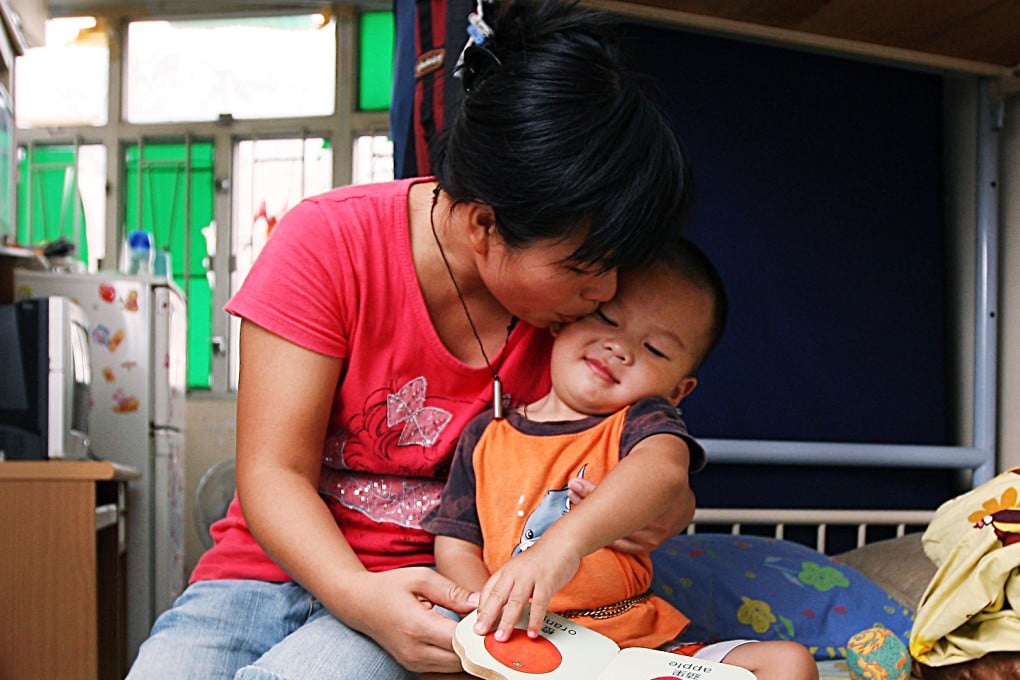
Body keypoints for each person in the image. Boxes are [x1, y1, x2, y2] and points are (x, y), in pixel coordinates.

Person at [126, 1, 696, 678]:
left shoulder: (581, 329)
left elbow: (648, 454)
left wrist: (666, 507)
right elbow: (272, 473)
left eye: (613, 270)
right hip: (262, 572)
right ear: (484, 225)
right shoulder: (328, 242)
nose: (605, 297)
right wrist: (358, 597)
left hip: (430, 590)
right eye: (582, 269)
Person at [421, 240, 819, 680]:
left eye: (655, 349)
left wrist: (561, 546)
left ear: (678, 390)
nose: (619, 348)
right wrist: (492, 624)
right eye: (607, 319)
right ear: (562, 321)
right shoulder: (485, 435)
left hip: (639, 648)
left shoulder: (643, 421)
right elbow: (456, 543)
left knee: (788, 662)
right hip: (528, 648)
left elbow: (663, 472)